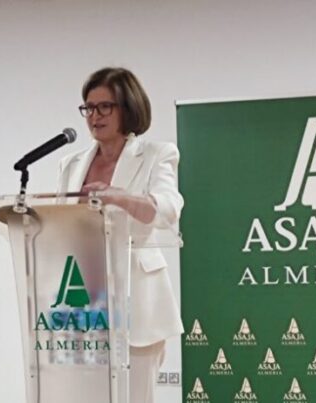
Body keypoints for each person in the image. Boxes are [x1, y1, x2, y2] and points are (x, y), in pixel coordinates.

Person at [56, 67, 184, 403]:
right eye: (88, 108)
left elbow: (168, 208)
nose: (94, 116)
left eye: (104, 107)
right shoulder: (71, 165)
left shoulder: (158, 154)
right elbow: (62, 224)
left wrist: (118, 196)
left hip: (138, 303)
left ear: (127, 107)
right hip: (85, 301)